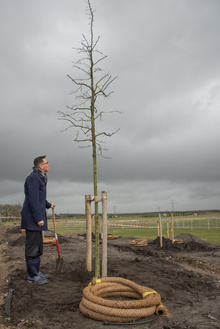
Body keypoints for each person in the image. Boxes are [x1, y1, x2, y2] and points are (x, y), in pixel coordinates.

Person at [21, 155, 55, 284]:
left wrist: (48, 204)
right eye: (47, 163)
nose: (49, 164)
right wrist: (38, 218)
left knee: (38, 246)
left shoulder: (40, 177)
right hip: (32, 219)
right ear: (41, 166)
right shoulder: (33, 178)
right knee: (32, 247)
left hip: (36, 219)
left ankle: (37, 272)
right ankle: (32, 276)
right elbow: (33, 199)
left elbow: (40, 198)